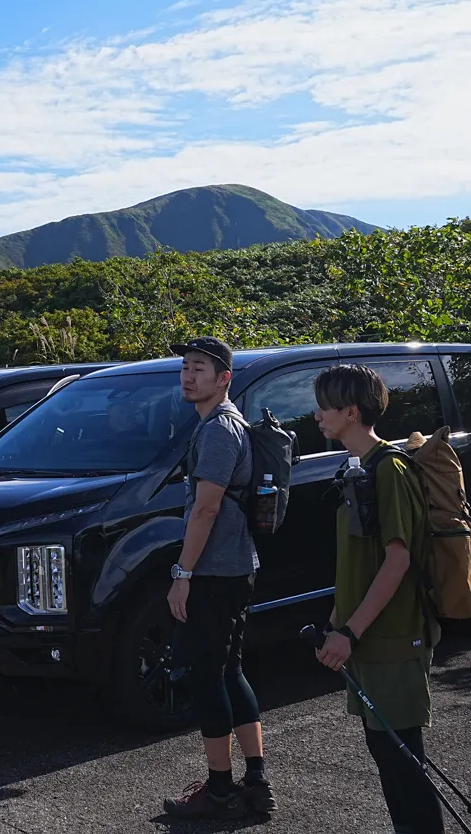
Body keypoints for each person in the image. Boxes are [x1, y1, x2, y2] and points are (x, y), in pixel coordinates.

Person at [313, 363, 443, 834]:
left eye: (325, 406)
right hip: (370, 640)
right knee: (390, 759)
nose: (317, 415)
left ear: (351, 411)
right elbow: (361, 563)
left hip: (393, 639)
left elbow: (397, 561)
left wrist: (350, 631)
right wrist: (335, 622)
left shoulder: (390, 470)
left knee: (402, 762)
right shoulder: (361, 469)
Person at [161, 336, 274, 819]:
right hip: (235, 568)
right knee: (230, 671)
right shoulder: (222, 426)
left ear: (224, 377)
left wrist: (182, 573)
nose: (188, 376)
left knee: (208, 677)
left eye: (200, 369)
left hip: (214, 573)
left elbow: (205, 510)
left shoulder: (219, 431)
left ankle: (220, 790)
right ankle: (255, 781)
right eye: (185, 367)